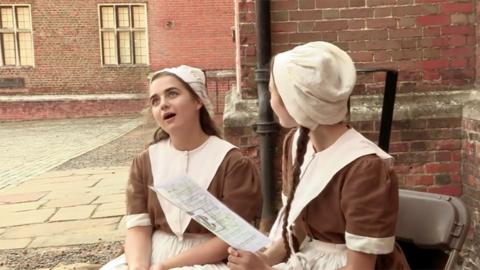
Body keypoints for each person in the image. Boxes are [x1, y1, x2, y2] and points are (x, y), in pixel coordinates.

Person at [226, 42, 410, 269]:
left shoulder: (364, 167)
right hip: (309, 260)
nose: (270, 100)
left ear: (296, 100)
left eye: (273, 90)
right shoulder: (295, 143)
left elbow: (359, 267)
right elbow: (300, 224)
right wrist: (264, 258)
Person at [101, 65, 262, 270]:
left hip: (209, 259)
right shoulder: (145, 161)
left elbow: (231, 238)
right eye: (155, 100)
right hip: (153, 251)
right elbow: (139, 228)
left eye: (172, 94)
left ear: (197, 101)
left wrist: (165, 266)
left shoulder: (232, 162)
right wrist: (139, 267)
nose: (163, 105)